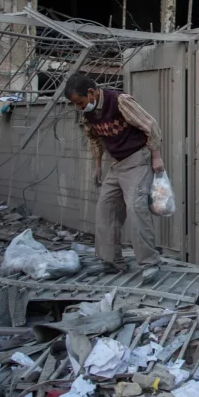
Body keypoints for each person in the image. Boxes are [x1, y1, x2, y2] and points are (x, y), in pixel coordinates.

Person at [65, 73, 165, 281]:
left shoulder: (120, 101)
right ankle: (112, 262)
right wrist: (98, 166)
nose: (79, 107)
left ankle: (150, 263)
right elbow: (93, 138)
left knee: (136, 208)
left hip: (137, 159)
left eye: (80, 102)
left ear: (91, 93)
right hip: (118, 164)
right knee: (106, 209)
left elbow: (151, 125)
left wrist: (156, 156)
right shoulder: (88, 113)